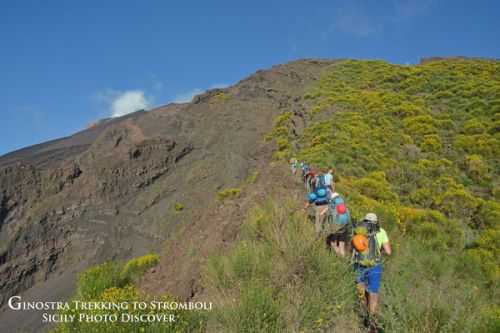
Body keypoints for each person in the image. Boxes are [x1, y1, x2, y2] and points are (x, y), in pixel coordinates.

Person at [352, 213, 391, 317]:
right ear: (376, 222)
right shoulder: (381, 231)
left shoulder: (358, 230)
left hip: (359, 263)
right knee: (373, 291)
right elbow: (388, 252)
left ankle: (361, 306)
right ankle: (371, 317)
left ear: (365, 221)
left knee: (360, 284)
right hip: (375, 265)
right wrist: (379, 250)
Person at [326, 192, 351, 257]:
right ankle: (343, 258)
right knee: (341, 245)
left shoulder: (332, 204)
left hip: (336, 225)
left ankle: (338, 256)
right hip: (345, 226)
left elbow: (330, 216)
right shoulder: (343, 204)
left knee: (332, 242)